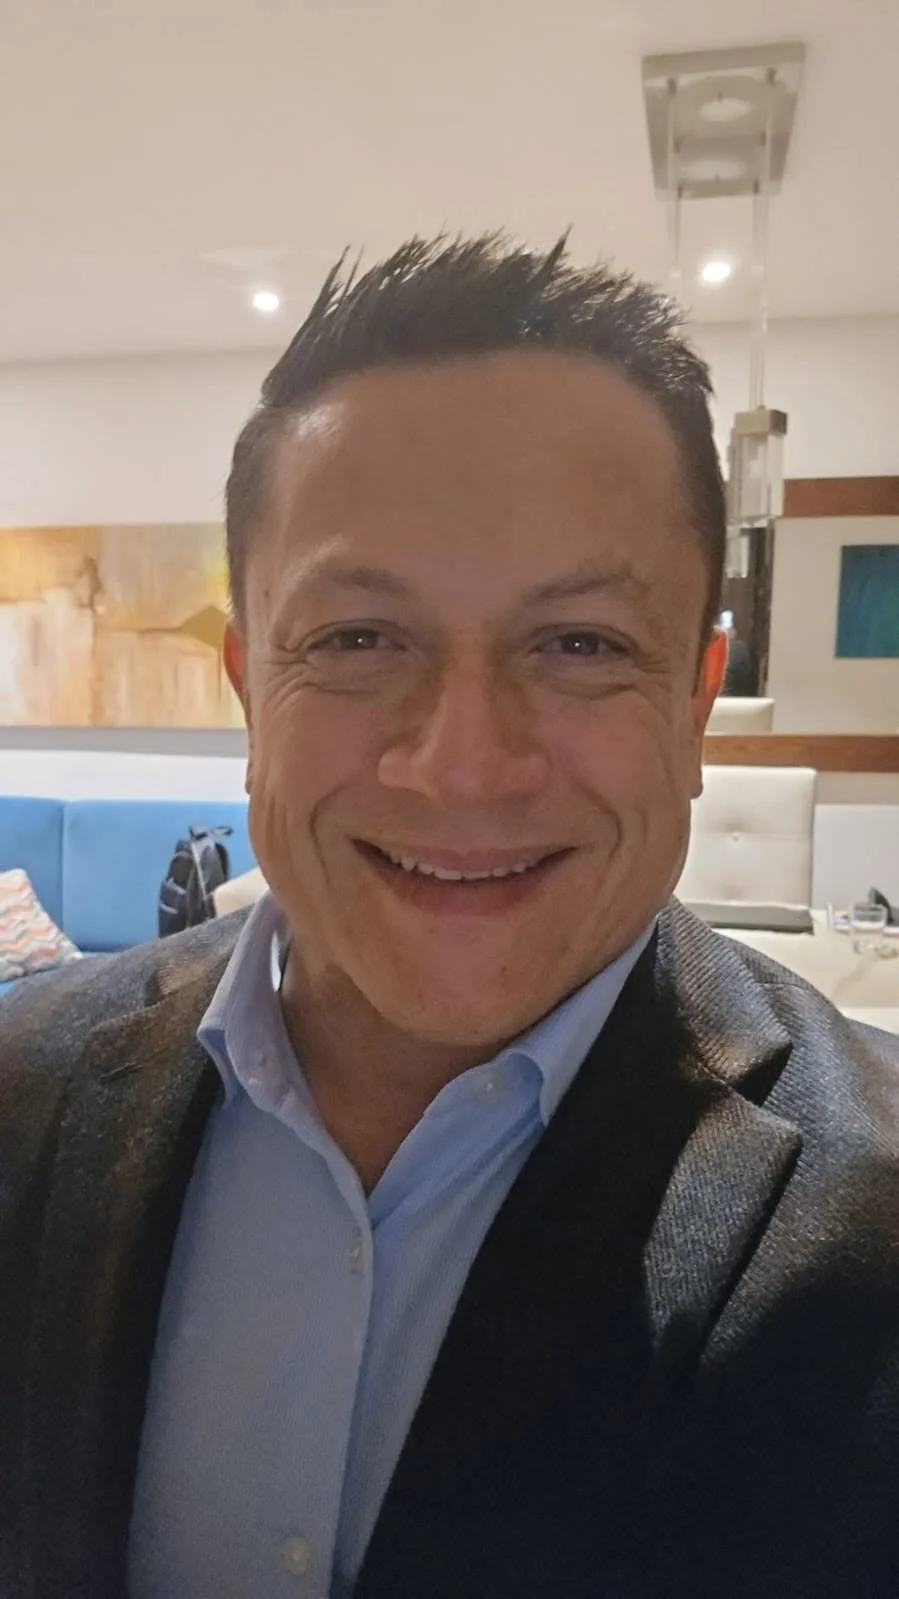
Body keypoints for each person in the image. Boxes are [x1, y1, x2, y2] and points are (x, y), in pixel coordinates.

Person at [1, 236, 897, 1599]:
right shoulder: (21, 1097)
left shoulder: (873, 1211)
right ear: (252, 684)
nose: (460, 765)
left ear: (694, 696)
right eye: (360, 638)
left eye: (579, 642)